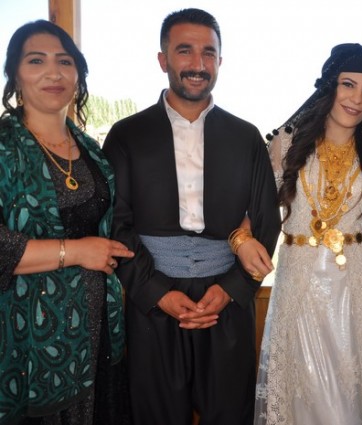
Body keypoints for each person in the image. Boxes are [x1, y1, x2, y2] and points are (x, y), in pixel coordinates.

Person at [101, 8, 280, 425]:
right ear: (163, 59)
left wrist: (232, 288)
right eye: (185, 51)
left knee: (231, 415)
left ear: (220, 61)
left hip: (227, 300)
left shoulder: (246, 137)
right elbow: (116, 224)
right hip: (152, 302)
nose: (198, 64)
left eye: (208, 53)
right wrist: (156, 292)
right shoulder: (127, 135)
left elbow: (266, 220)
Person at [240, 43, 362, 424]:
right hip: (301, 285)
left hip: (358, 288)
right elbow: (253, 210)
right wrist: (241, 240)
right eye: (348, 85)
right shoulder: (286, 143)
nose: (357, 99)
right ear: (330, 86)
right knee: (302, 393)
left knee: (351, 397)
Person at [0, 20, 135, 424]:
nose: (53, 72)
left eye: (64, 61)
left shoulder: (91, 150)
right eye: (36, 61)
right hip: (30, 341)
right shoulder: (4, 147)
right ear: (14, 74)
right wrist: (75, 252)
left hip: (98, 334)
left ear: (78, 73)